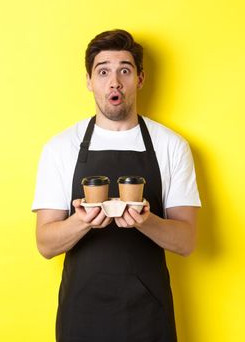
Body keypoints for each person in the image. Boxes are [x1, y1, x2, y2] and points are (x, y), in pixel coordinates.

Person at [32, 29, 201, 342]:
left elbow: (187, 241)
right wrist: (81, 222)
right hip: (81, 315)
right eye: (103, 71)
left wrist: (145, 221)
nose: (114, 82)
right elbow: (46, 244)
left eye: (125, 70)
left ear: (139, 79)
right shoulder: (60, 148)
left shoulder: (171, 146)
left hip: (148, 316)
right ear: (89, 81)